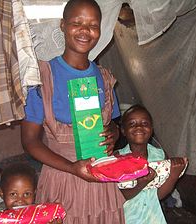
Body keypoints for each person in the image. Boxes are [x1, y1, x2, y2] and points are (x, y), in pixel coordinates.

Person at [21, 0, 125, 223]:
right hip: (63, 180)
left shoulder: (105, 78)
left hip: (102, 182)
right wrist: (72, 168)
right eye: (77, 22)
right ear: (62, 25)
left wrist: (113, 134)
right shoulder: (43, 77)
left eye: (93, 24)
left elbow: (114, 126)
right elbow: (30, 142)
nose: (85, 31)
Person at [117, 104, 188, 224]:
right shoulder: (117, 159)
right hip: (127, 219)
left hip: (153, 218)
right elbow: (118, 197)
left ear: (151, 129)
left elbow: (159, 195)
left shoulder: (159, 156)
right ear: (123, 130)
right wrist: (141, 183)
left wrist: (173, 176)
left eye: (145, 123)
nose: (139, 127)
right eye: (132, 124)